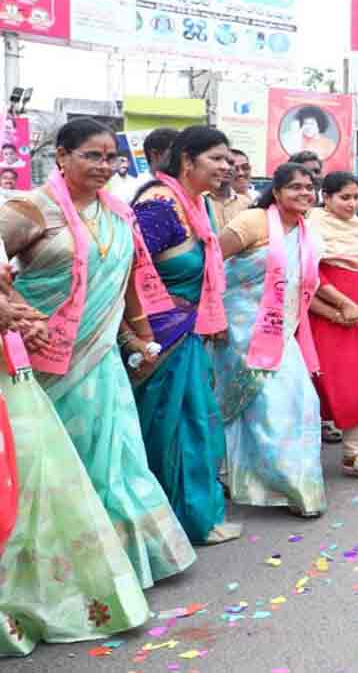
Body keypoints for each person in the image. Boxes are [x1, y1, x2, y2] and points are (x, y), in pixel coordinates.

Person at [0, 118, 196, 584]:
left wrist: (140, 337)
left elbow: (125, 283)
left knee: (116, 458)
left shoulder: (118, 213)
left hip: (101, 361)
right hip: (42, 361)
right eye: (92, 155)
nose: (105, 165)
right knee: (47, 466)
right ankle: (58, 573)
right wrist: (17, 309)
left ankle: (120, 562)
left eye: (111, 157)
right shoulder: (32, 209)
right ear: (62, 157)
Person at [0, 247, 151, 656]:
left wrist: (27, 318)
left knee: (35, 479)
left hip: (14, 380)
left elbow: (9, 292)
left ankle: (35, 599)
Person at [131, 126, 243, 544]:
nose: (227, 166)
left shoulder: (196, 206)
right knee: (169, 431)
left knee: (194, 426)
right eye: (217, 158)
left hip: (187, 335)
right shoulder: (159, 206)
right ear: (187, 161)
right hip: (159, 338)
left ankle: (191, 519)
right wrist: (140, 335)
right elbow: (127, 270)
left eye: (229, 159)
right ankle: (167, 526)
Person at [212, 163, 327, 517]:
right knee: (259, 407)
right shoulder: (253, 222)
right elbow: (211, 263)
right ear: (276, 192)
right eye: (295, 187)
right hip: (239, 328)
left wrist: (337, 306)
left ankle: (288, 483)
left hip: (281, 331)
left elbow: (301, 285)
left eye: (309, 188)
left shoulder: (309, 233)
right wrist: (211, 316)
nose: (304, 194)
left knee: (301, 403)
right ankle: (269, 482)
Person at [306, 172, 358, 481]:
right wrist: (337, 307)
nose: (352, 203)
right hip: (323, 305)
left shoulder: (357, 225)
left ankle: (353, 453)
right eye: (344, 197)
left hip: (355, 304)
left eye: (355, 197)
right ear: (325, 198)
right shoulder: (313, 222)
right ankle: (302, 455)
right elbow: (309, 272)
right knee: (319, 381)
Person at [208, 147, 253, 229]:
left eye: (231, 163)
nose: (240, 173)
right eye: (236, 168)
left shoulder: (247, 203)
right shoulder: (200, 201)